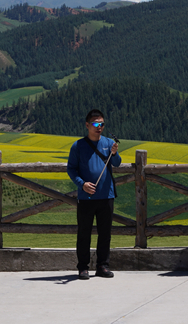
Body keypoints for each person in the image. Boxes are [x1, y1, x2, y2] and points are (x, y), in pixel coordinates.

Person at [67, 108, 121, 280]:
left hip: (106, 195)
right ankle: (83, 267)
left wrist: (114, 153)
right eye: (96, 124)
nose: (99, 127)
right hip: (86, 197)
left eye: (102, 124)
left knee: (105, 233)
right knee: (84, 233)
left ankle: (102, 266)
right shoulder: (78, 146)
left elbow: (117, 163)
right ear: (87, 125)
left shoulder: (108, 143)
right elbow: (71, 169)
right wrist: (82, 184)